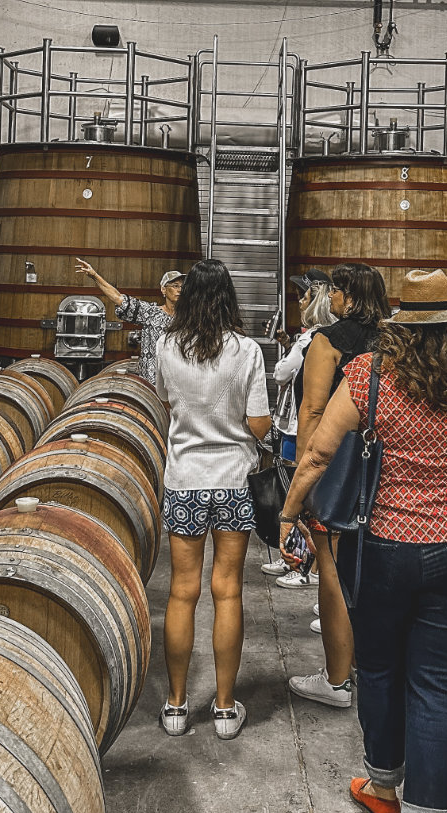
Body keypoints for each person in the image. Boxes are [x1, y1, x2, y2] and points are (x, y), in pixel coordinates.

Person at [277, 268, 447, 813]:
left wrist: (288, 512)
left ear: (402, 326)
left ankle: (383, 788)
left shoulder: (370, 377)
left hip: (382, 546)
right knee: (437, 683)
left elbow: (319, 454)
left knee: (379, 666)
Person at [154, 258, 271, 741]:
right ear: (227, 297)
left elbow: (166, 403)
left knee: (183, 591)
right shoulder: (246, 351)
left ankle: (177, 705)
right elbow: (261, 424)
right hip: (233, 480)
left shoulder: (166, 347)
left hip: (184, 478)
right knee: (228, 590)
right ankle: (224, 709)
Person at [288, 262, 390, 708]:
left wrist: (306, 481)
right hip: (388, 469)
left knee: (331, 571)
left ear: (348, 297)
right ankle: (374, 671)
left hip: (340, 470)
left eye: (334, 292)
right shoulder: (394, 341)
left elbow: (312, 412)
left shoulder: (327, 342)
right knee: (378, 573)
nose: (328, 299)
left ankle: (335, 680)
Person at [264, 274, 337, 591]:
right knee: (294, 494)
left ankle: (301, 563)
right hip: (295, 427)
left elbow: (281, 374)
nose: (299, 301)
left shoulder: (311, 340)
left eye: (303, 296)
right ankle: (293, 555)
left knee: (299, 496)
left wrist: (291, 349)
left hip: (298, 430)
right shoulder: (313, 338)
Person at [75, 258, 183, 385]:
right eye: (175, 286)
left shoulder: (188, 317)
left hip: (179, 381)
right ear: (163, 290)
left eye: (182, 286)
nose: (180, 290)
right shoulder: (150, 313)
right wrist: (94, 276)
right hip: (153, 381)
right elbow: (118, 298)